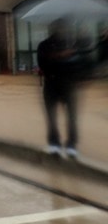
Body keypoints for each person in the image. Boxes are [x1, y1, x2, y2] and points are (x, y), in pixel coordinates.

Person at [37, 18, 79, 158]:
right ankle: (54, 143)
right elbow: (42, 64)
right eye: (61, 27)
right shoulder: (44, 45)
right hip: (51, 84)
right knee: (51, 116)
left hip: (68, 85)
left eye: (65, 28)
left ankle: (71, 144)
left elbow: (77, 65)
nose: (63, 30)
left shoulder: (73, 44)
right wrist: (60, 56)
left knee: (71, 116)